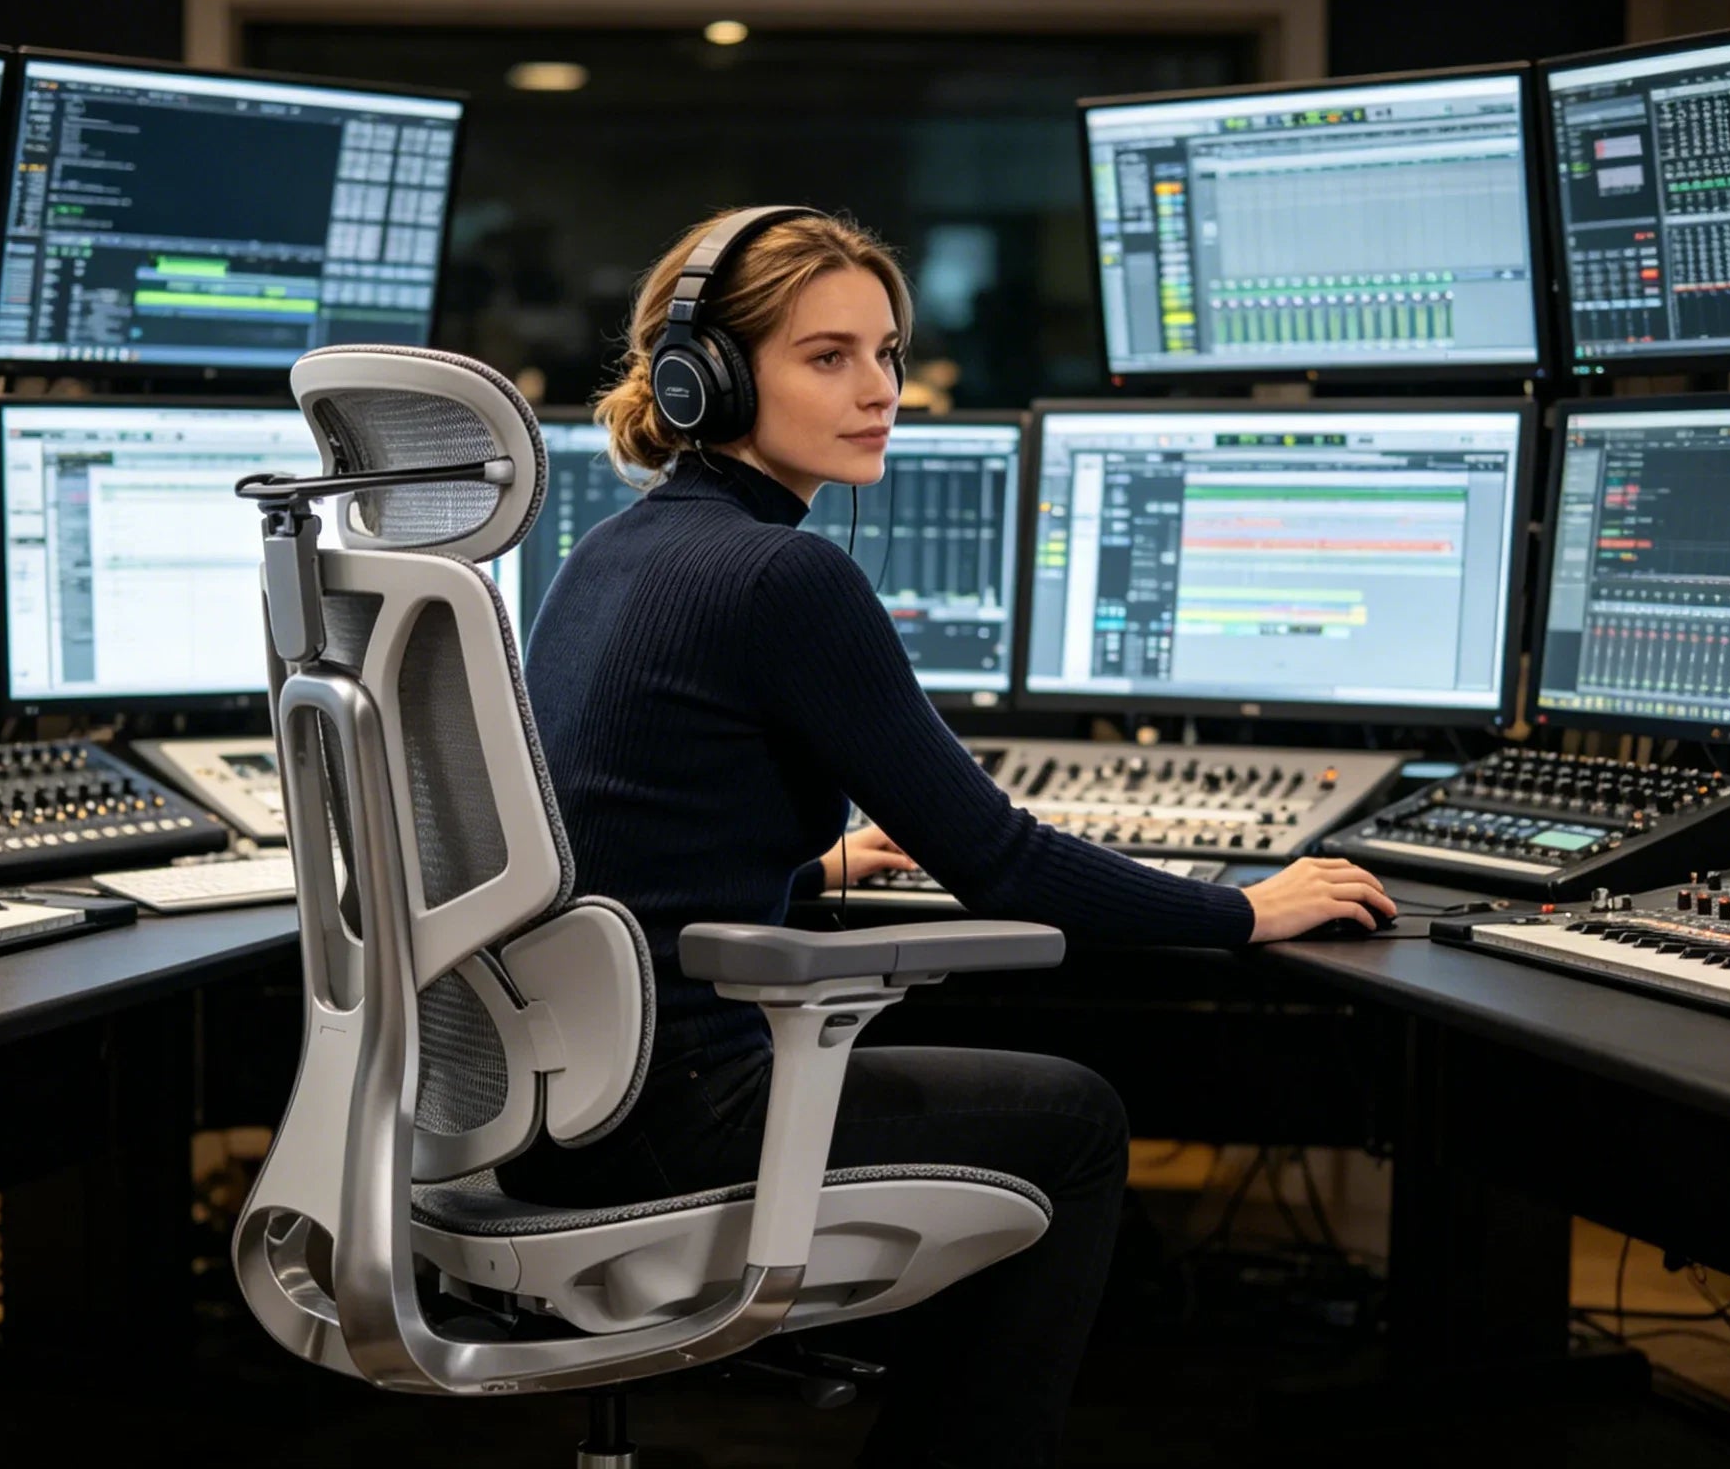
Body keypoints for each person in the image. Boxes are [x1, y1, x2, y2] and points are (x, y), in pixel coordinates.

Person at [502, 207, 1395, 1467]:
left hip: (559, 1106)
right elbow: (1003, 862)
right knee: (1073, 1119)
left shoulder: (606, 552)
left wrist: (813, 869)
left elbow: (606, 835)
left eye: (885, 351)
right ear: (706, 377)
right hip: (679, 1110)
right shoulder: (785, 579)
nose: (881, 390)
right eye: (828, 357)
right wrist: (1242, 910)